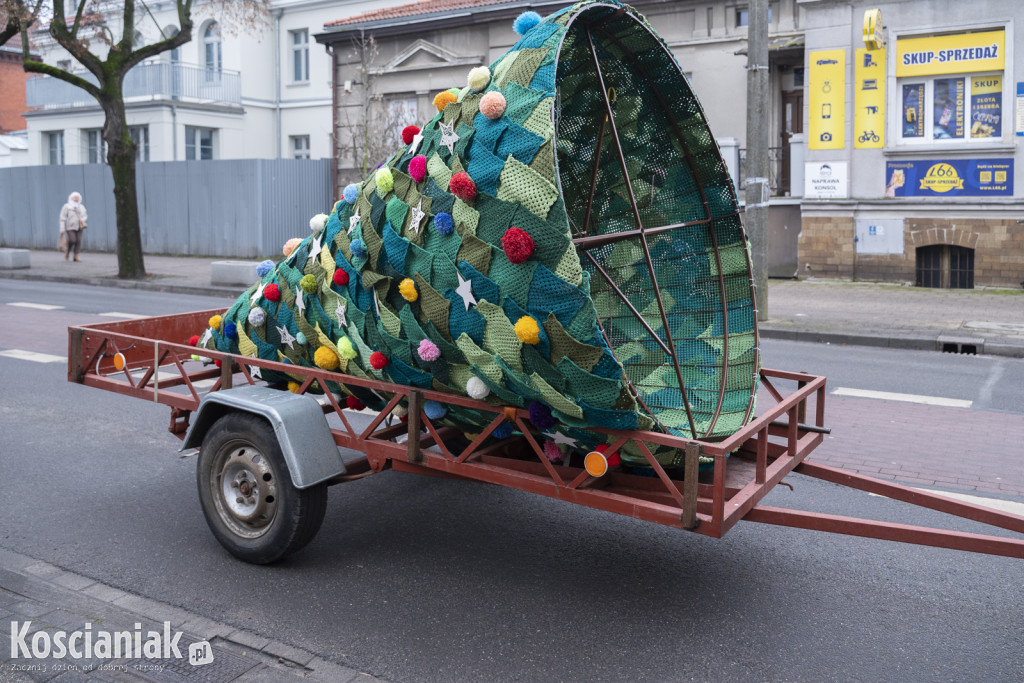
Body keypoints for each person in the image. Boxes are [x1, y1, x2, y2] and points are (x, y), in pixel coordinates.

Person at [59, 191, 87, 262]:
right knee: (72, 240)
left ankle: (76, 256)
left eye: (77, 197)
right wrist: (62, 228)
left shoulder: (81, 207)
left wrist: (82, 220)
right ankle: (67, 251)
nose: (76, 199)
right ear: (71, 198)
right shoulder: (67, 206)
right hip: (70, 227)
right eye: (74, 197)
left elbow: (84, 216)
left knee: (78, 241)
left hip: (79, 226)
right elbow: (62, 218)